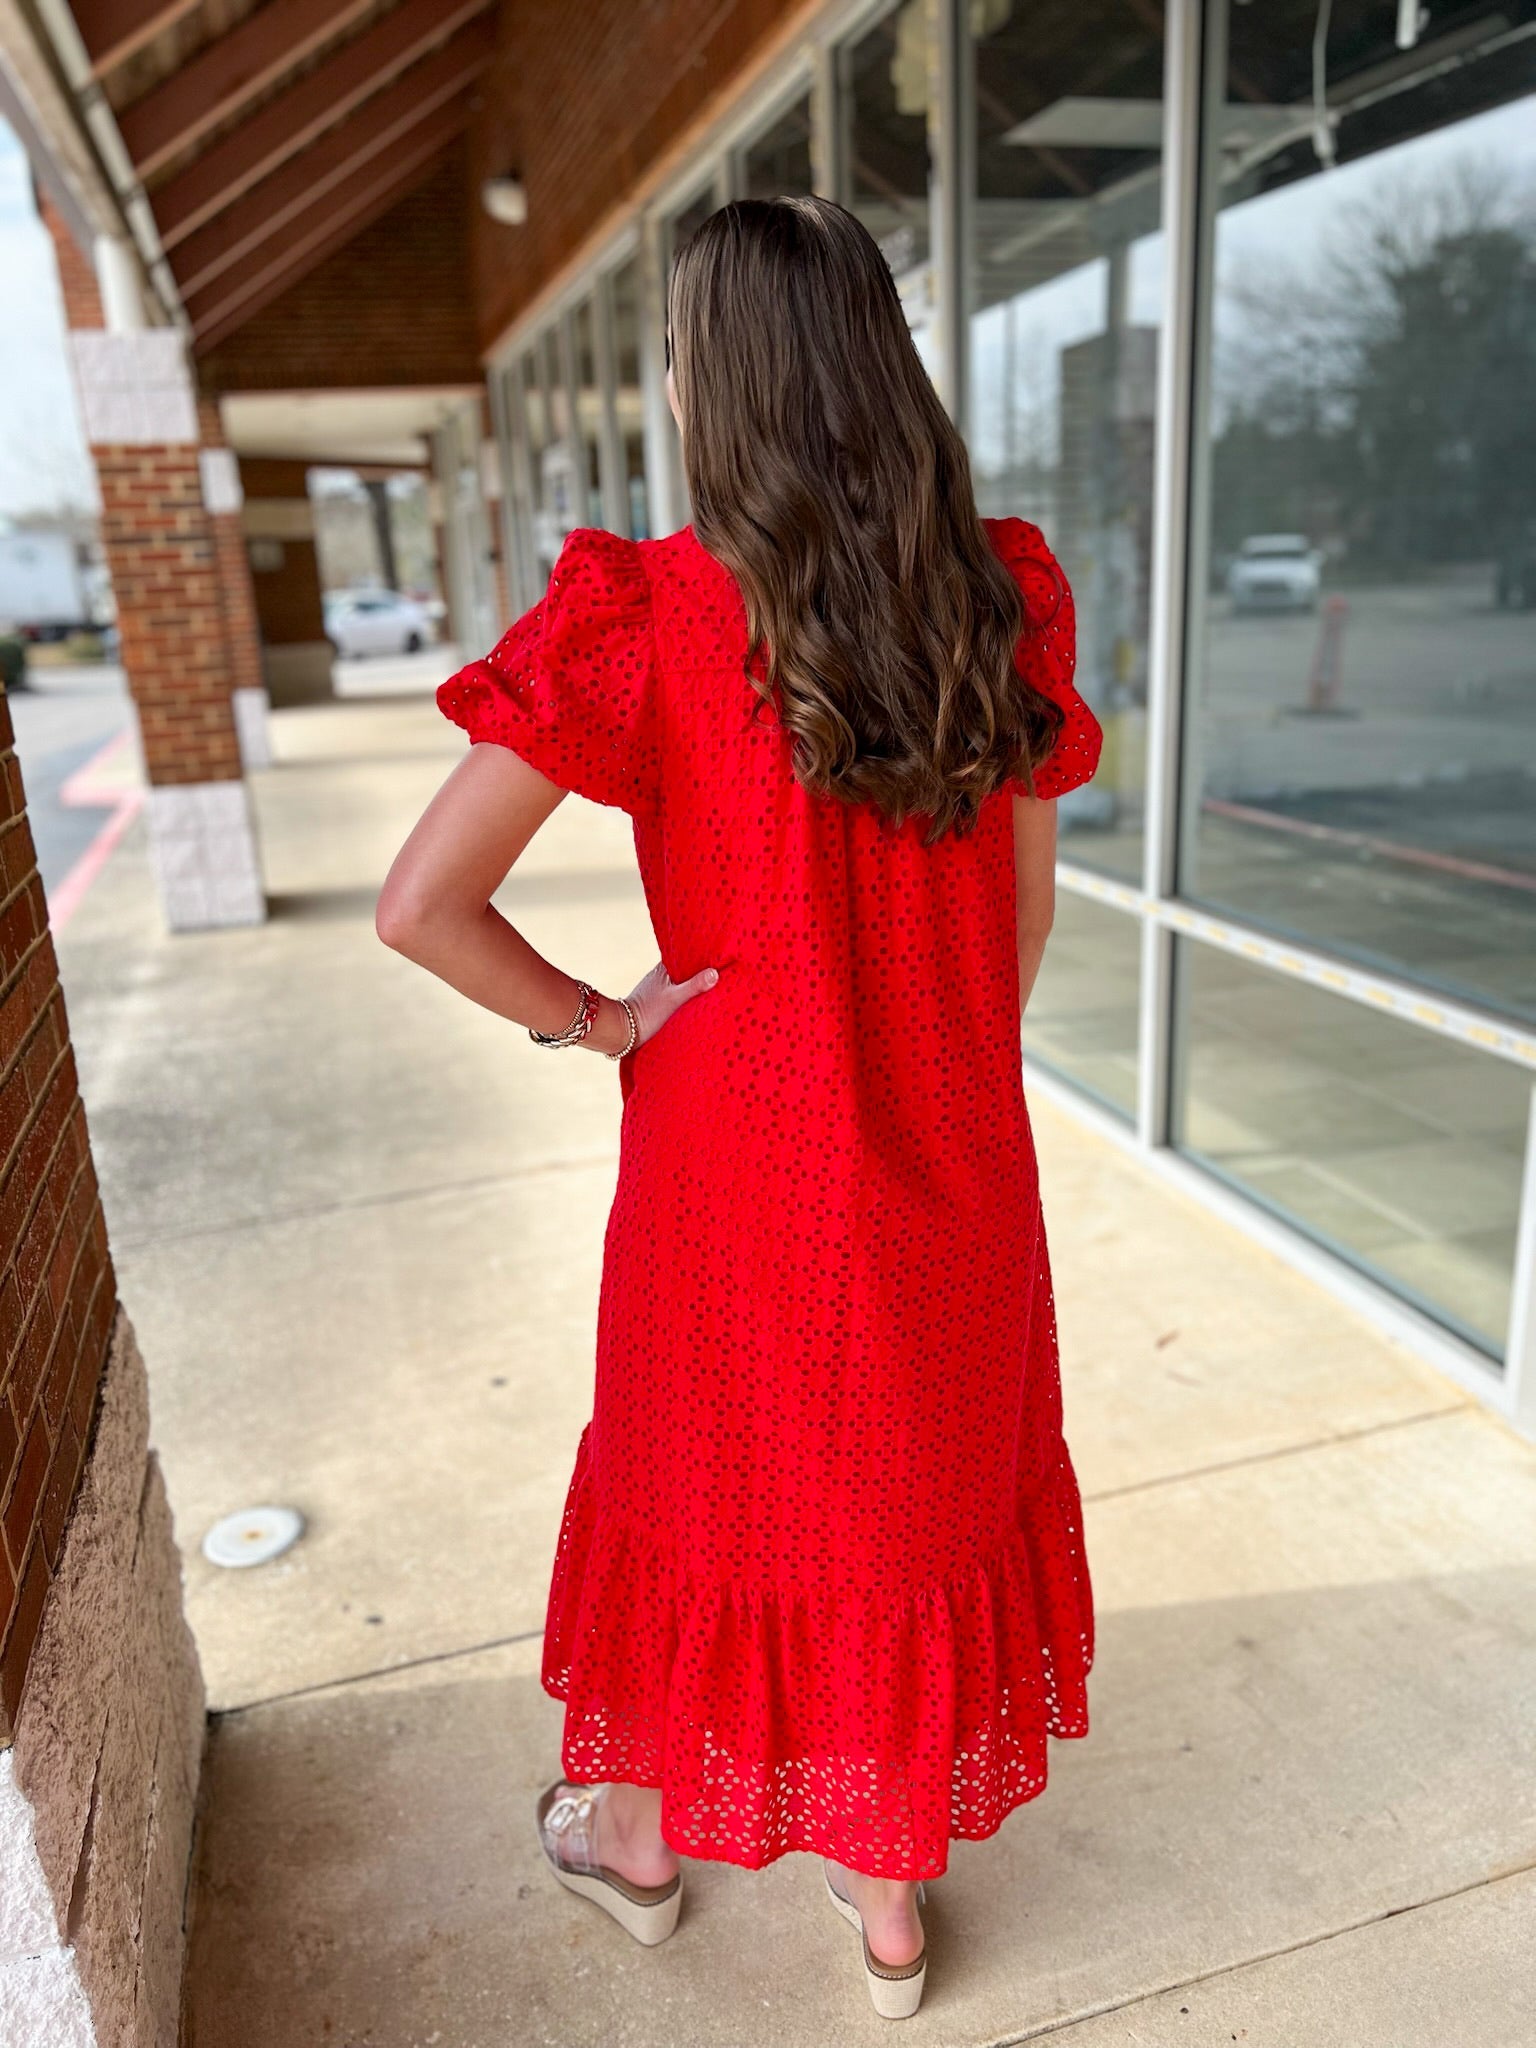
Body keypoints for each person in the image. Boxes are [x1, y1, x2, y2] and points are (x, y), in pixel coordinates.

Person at [377, 194, 1101, 2022]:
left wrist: (609, 1023)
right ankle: (886, 1906)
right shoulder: (1000, 591)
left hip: (733, 1173)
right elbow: (1018, 928)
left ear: (714, 376)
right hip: (952, 1164)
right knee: (907, 1513)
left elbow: (421, 907)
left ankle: (632, 1853)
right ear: (882, 360)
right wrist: (924, 1050)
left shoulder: (653, 618)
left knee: (704, 1509)